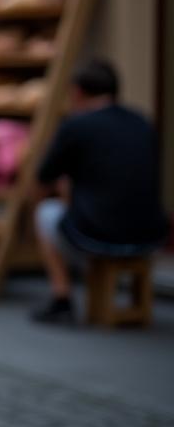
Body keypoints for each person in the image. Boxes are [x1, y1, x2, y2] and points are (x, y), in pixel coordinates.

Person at [31, 60, 169, 324]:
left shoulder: (77, 126)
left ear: (77, 92)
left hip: (95, 236)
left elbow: (42, 180)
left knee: (45, 211)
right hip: (153, 233)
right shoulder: (142, 122)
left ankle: (62, 298)